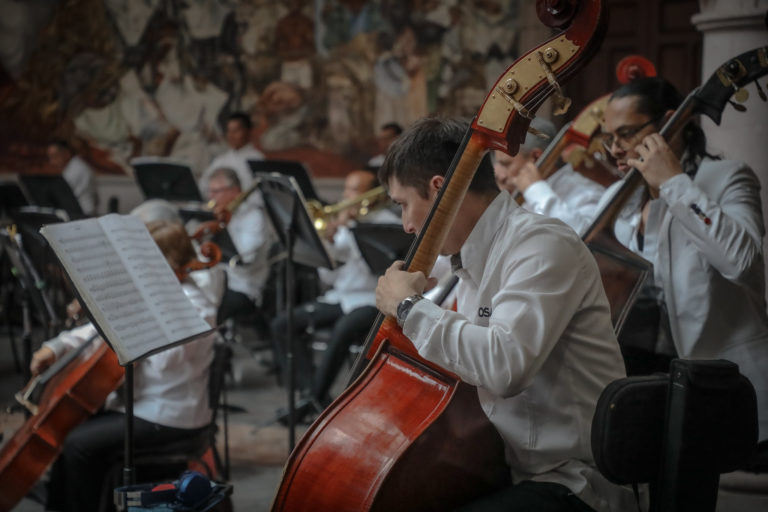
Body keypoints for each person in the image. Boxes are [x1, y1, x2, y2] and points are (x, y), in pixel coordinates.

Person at [375, 117, 634, 511]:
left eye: (404, 205)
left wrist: (409, 308)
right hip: (504, 466)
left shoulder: (541, 244)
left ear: (439, 188)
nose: (407, 226)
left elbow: (504, 367)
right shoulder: (472, 256)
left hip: (572, 480)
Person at [597, 76, 768, 440]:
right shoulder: (616, 199)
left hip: (726, 383)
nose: (615, 149)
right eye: (609, 137)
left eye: (626, 134)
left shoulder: (728, 178)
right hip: (647, 386)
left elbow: (740, 262)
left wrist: (674, 183)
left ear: (670, 122)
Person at [30, 220, 218, 512]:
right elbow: (93, 332)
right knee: (71, 431)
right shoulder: (150, 295)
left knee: (79, 445)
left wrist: (135, 322)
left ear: (165, 265)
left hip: (170, 415)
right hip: (138, 405)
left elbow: (166, 362)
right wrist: (55, 347)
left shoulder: (197, 307)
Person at [270, 169, 399, 413]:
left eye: (354, 190)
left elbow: (376, 269)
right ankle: (310, 393)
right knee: (282, 324)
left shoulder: (388, 226)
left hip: (372, 300)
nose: (346, 195)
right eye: (346, 189)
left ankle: (314, 398)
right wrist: (329, 242)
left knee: (343, 329)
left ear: (371, 194)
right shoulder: (342, 227)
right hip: (342, 297)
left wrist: (355, 229)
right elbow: (328, 278)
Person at [492, 117, 604, 234]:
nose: (499, 174)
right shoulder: (516, 194)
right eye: (497, 163)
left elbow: (581, 235)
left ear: (536, 157)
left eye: (506, 164)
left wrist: (535, 190)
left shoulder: (587, 192)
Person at [206, 167, 274, 326]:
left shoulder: (254, 216)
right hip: (218, 280)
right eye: (210, 191)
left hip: (243, 285)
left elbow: (244, 259)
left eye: (216, 191)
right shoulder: (216, 214)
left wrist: (222, 229)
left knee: (213, 309)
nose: (211, 197)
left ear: (235, 191)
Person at [199, 112, 265, 196]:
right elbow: (203, 184)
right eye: (229, 131)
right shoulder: (222, 159)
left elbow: (258, 193)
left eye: (236, 131)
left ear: (248, 131)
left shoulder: (257, 159)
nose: (231, 135)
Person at [47, 140, 98, 216]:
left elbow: (59, 194)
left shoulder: (76, 168)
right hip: (78, 212)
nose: (52, 162)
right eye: (50, 157)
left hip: (82, 214)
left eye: (55, 156)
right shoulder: (74, 166)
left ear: (66, 153)